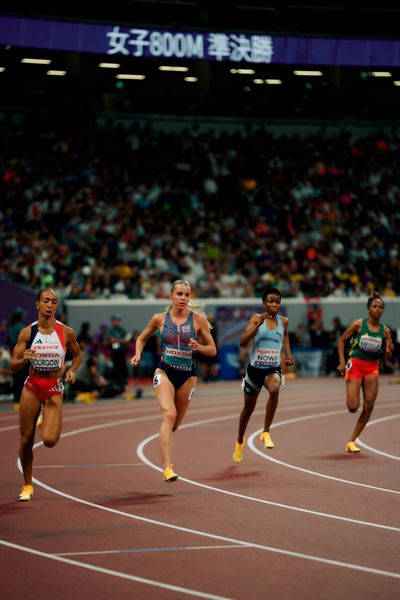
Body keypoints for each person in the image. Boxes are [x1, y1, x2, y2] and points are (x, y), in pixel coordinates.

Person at [130, 279, 217, 483]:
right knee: (169, 415)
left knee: (174, 425)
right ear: (171, 296)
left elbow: (212, 350)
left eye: (186, 295)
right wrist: (137, 354)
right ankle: (167, 468)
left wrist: (199, 347)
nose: (183, 298)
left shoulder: (198, 320)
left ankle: (164, 443)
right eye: (179, 294)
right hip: (165, 371)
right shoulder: (159, 319)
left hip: (188, 376)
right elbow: (141, 338)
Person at [10, 287, 82, 501]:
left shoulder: (66, 332)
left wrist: (71, 371)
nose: (50, 305)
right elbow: (13, 365)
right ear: (37, 305)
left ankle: (46, 418)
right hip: (32, 387)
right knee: (25, 440)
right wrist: (23, 359)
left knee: (50, 440)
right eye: (46, 301)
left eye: (54, 302)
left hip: (53, 389)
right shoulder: (27, 333)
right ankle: (27, 484)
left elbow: (78, 355)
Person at [232, 287, 294, 463]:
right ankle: (239, 441)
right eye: (271, 301)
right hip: (254, 371)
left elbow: (286, 338)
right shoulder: (256, 319)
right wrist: (258, 325)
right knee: (247, 411)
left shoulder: (284, 321)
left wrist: (288, 354)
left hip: (272, 369)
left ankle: (265, 432)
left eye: (277, 302)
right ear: (264, 303)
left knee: (275, 389)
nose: (274, 305)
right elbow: (243, 342)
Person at [337, 291, 393, 453]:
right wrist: (342, 362)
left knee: (369, 405)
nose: (377, 309)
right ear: (368, 309)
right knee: (353, 407)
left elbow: (387, 351)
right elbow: (341, 341)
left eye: (380, 307)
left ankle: (351, 441)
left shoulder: (385, 331)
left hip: (371, 367)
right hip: (355, 364)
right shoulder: (358, 325)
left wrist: (389, 351)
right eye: (374, 306)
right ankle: (350, 387)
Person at [7, 308, 29, 408]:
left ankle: (16, 397)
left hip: (13, 353)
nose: (25, 317)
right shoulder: (21, 327)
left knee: (16, 376)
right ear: (20, 317)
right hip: (22, 352)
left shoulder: (11, 327)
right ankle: (23, 397)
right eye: (23, 315)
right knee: (24, 376)